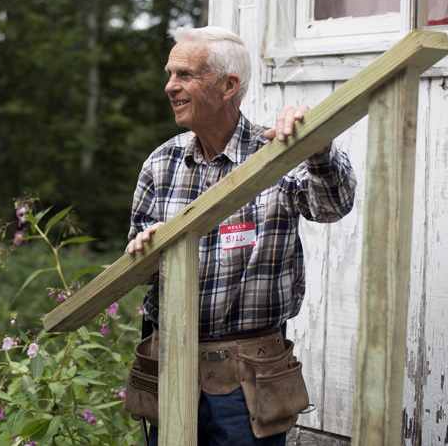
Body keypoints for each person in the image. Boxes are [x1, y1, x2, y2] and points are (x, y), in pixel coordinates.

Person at [125, 26, 357, 445]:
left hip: (248, 381)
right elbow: (137, 267)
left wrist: (319, 146)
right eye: (170, 73)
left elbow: (334, 204)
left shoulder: (277, 153)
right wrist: (145, 251)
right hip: (170, 368)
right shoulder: (162, 163)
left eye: (184, 75)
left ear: (228, 85)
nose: (169, 86)